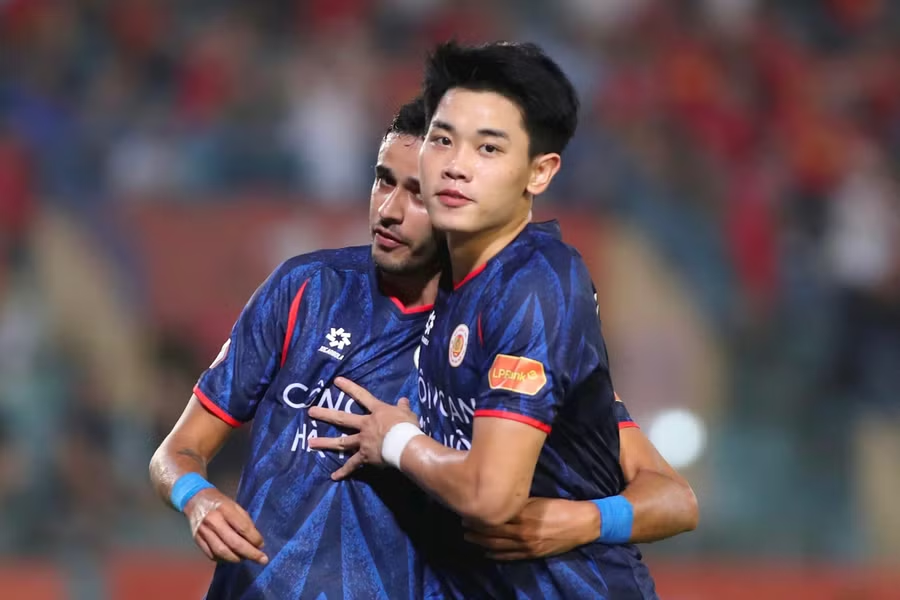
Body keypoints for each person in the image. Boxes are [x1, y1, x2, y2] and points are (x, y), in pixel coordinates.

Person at [150, 96, 695, 600]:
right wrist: (196, 496)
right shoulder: (305, 290)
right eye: (382, 180)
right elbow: (174, 454)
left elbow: (672, 498)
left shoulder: (505, 334)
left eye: (417, 194)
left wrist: (580, 521)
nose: (388, 210)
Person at [308, 41, 684, 598]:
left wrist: (397, 440)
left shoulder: (536, 287)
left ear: (539, 173)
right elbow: (672, 495)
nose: (455, 166)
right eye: (442, 139)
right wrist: (591, 517)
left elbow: (491, 497)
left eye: (488, 148)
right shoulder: (455, 283)